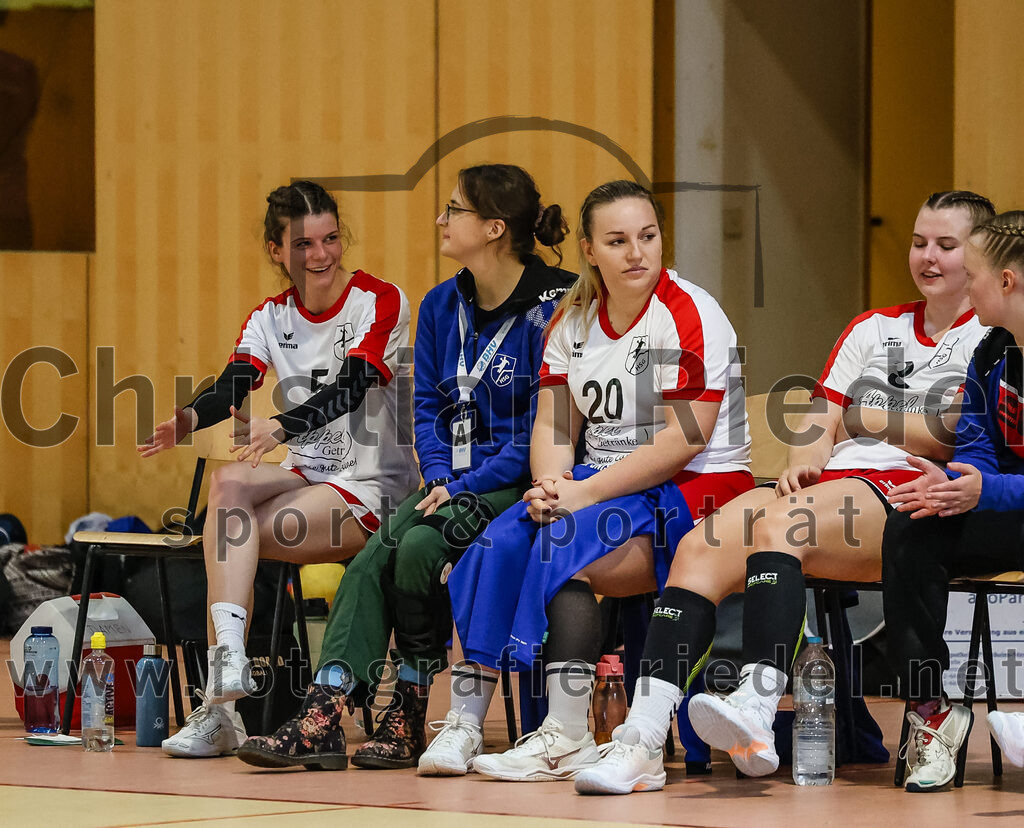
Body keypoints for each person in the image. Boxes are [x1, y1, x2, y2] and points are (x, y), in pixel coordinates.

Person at [574, 190, 996, 795]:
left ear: (978, 254)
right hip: (829, 486)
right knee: (700, 546)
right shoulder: (873, 327)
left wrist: (865, 418)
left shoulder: (991, 335)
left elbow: (949, 434)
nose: (927, 257)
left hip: (907, 493)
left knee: (783, 526)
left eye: (946, 246)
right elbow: (820, 419)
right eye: (918, 242)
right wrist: (805, 458)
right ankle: (641, 738)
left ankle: (758, 702)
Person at [235, 164, 576, 771]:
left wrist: (463, 484)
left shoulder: (554, 305)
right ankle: (324, 709)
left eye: (455, 209)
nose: (441, 219)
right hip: (450, 482)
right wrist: (440, 477)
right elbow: (426, 407)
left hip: (521, 482)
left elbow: (543, 428)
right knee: (373, 559)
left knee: (417, 548)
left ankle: (412, 706)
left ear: (494, 228)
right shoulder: (443, 303)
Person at [417, 179, 754, 781]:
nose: (637, 253)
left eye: (647, 237)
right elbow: (553, 422)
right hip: (601, 482)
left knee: (563, 549)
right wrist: (551, 485)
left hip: (697, 485)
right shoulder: (572, 319)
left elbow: (686, 439)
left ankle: (566, 732)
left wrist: (583, 493)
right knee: (495, 543)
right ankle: (465, 721)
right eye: (618, 241)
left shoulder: (690, 312)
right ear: (589, 250)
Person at [141, 180, 418, 758]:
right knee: (226, 483)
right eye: (304, 244)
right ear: (277, 251)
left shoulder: (379, 300)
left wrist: (282, 426)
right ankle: (228, 670)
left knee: (226, 536)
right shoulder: (270, 316)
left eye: (330, 239)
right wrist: (186, 420)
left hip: (373, 488)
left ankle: (220, 707)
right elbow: (235, 382)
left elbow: (354, 385)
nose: (321, 255)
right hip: (310, 478)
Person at [882, 209, 1024, 791]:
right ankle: (931, 712)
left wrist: (987, 489)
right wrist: (954, 486)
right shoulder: (991, 351)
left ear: (1006, 282)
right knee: (913, 525)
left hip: (1012, 503)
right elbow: (977, 445)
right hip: (1007, 511)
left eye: (974, 273)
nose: (967, 284)